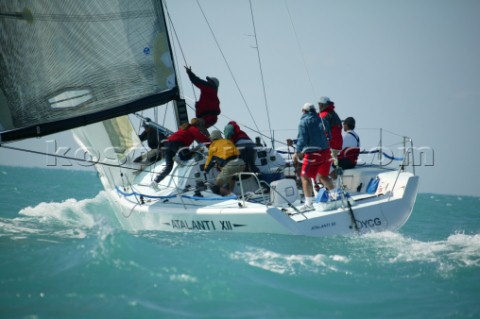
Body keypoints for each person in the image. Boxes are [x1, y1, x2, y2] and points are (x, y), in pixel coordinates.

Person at [296, 102, 334, 210]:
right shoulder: (322, 119)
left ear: (304, 111)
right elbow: (329, 136)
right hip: (326, 152)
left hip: (313, 154)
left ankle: (308, 204)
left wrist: (298, 151)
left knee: (305, 177)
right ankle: (336, 195)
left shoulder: (303, 122)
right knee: (323, 175)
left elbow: (302, 139)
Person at [152, 118, 210, 185]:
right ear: (198, 125)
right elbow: (202, 138)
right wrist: (211, 144)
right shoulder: (193, 129)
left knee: (169, 166)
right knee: (185, 157)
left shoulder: (184, 127)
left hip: (167, 144)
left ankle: (155, 181)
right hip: (177, 143)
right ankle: (178, 157)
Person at [204, 130, 245, 196]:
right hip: (241, 163)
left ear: (212, 138)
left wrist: (206, 170)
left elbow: (209, 161)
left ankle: (233, 197)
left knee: (216, 187)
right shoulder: (228, 141)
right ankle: (231, 193)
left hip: (230, 165)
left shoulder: (213, 146)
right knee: (232, 178)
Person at [185, 66, 220, 137]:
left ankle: (208, 142)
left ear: (212, 83)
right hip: (208, 117)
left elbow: (198, 81)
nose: (207, 82)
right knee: (194, 128)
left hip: (208, 116)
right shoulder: (211, 92)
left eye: (209, 81)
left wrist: (190, 73)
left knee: (195, 125)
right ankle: (208, 141)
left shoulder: (209, 88)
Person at [318, 96, 343, 166]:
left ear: (323, 105)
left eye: (320, 104)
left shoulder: (323, 115)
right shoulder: (335, 114)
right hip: (337, 147)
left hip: (329, 147)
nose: (319, 106)